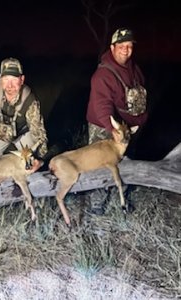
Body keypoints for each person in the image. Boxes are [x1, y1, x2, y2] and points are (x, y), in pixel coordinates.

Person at [86, 28, 148, 215]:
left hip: (128, 127)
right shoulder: (103, 74)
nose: (125, 50)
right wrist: (110, 128)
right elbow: (102, 104)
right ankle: (97, 203)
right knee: (98, 165)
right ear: (112, 48)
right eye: (121, 46)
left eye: (129, 46)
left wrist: (140, 121)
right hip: (104, 127)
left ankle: (120, 198)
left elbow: (140, 96)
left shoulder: (135, 69)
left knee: (125, 162)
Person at [0, 57, 48, 167]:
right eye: (6, 79)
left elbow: (38, 130)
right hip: (0, 134)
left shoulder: (30, 99)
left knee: (31, 165)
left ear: (22, 80)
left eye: (14, 79)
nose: (10, 85)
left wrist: (41, 157)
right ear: (0, 78)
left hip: (22, 134)